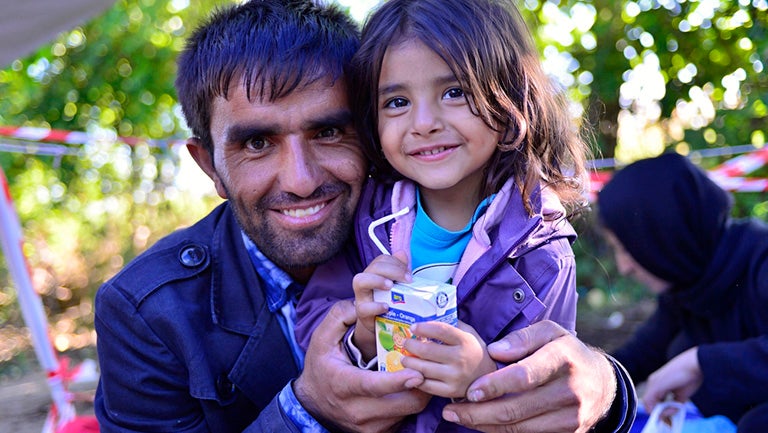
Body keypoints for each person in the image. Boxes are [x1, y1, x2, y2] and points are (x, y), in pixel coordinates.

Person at [94, 0, 635, 432]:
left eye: (329, 131)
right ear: (209, 164)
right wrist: (306, 411)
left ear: (367, 134)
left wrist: (608, 393)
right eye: (257, 142)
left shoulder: (520, 237)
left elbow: (552, 377)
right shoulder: (146, 316)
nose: (301, 180)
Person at [295, 0, 628, 431]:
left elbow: (552, 394)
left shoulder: (541, 248)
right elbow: (307, 330)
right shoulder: (366, 218)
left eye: (455, 92)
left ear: (510, 99)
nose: (424, 122)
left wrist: (484, 373)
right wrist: (361, 333)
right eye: (396, 101)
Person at [597, 152, 768, 432]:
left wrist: (700, 362)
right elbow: (638, 356)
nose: (623, 267)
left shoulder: (760, 260)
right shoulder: (689, 287)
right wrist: (587, 375)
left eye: (626, 249)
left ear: (663, 236)